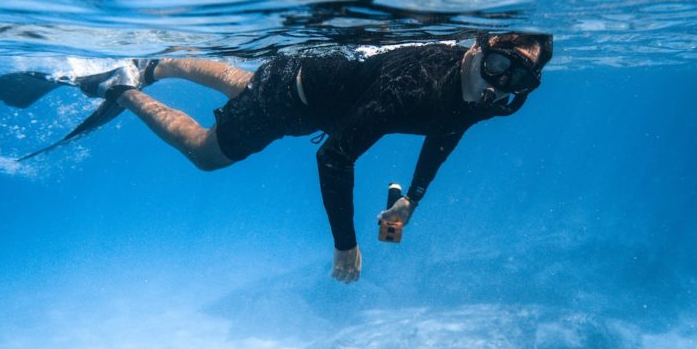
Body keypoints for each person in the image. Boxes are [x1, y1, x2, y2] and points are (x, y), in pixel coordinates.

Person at [79, 32, 553, 284]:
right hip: (290, 99)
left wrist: (413, 197)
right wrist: (345, 243)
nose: (499, 84)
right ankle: (122, 87)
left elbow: (448, 132)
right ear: (479, 45)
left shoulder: (486, 101)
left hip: (302, 81)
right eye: (498, 66)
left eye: (518, 81)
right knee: (205, 152)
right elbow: (333, 158)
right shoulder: (416, 88)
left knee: (242, 81)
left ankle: (157, 65)